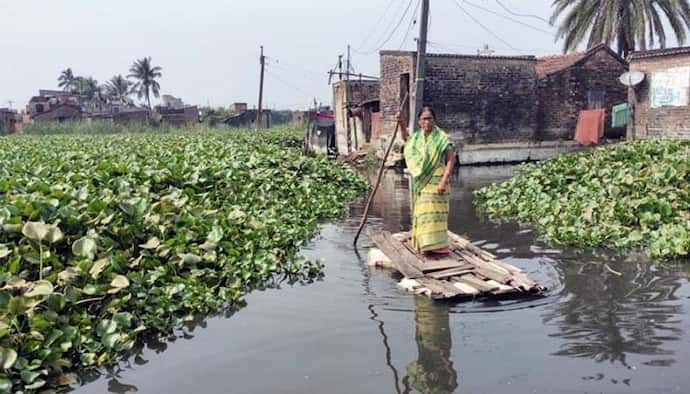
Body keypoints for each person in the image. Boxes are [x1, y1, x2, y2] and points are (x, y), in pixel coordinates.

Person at [396, 107, 456, 256]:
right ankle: (426, 245)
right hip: (423, 182)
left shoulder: (442, 138)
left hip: (437, 180)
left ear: (434, 120)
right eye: (424, 119)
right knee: (423, 214)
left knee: (436, 214)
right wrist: (401, 123)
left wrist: (444, 180)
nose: (427, 122)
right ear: (419, 121)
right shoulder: (417, 138)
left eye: (429, 118)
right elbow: (407, 141)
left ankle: (438, 246)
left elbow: (451, 159)